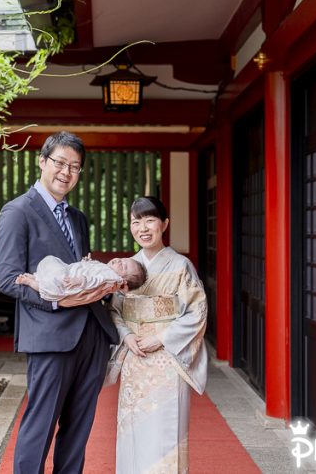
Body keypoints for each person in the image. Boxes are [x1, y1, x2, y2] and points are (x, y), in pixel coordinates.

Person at [0, 131, 120, 474]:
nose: (66, 172)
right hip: (50, 335)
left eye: (75, 167)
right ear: (42, 161)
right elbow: (8, 279)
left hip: (91, 335)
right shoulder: (17, 211)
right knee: (40, 426)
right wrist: (56, 303)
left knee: (78, 431)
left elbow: (77, 270)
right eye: (60, 163)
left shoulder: (77, 218)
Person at [110, 196, 208, 474]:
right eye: (135, 221)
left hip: (167, 357)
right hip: (135, 355)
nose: (143, 227)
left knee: (166, 428)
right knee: (133, 427)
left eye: (150, 220)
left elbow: (197, 312)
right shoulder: (125, 267)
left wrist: (162, 338)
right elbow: (114, 311)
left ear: (164, 224)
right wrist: (127, 335)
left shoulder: (180, 266)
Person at [15, 255, 147, 301]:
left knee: (54, 284)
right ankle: (37, 278)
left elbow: (96, 281)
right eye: (122, 260)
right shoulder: (106, 269)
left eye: (123, 266)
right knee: (52, 263)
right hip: (70, 274)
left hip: (72, 284)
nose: (119, 261)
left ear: (122, 280)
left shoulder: (111, 277)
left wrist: (81, 280)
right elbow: (94, 272)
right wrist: (87, 263)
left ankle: (31, 282)